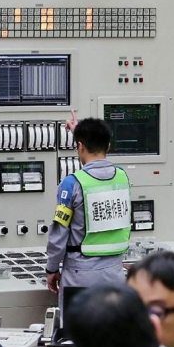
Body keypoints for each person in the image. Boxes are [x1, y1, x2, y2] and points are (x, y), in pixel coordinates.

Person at [46, 114, 132, 299]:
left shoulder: (71, 184)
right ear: (108, 146)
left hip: (80, 277)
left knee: (79, 328)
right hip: (115, 274)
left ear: (80, 147)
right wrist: (79, 131)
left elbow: (58, 235)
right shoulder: (122, 177)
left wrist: (51, 268)